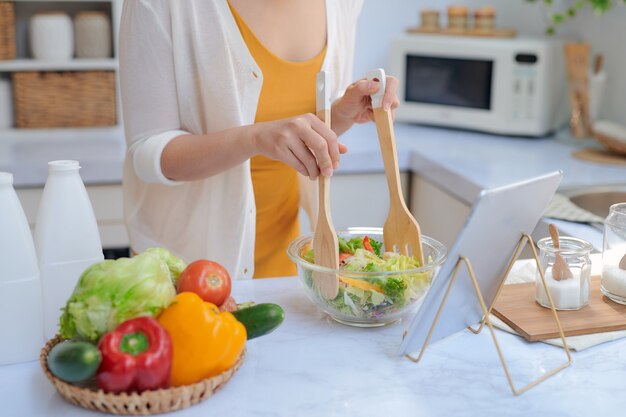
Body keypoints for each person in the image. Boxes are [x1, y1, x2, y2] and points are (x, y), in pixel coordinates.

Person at [119, 0, 399, 280]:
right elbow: (148, 153)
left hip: (282, 267)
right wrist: (255, 138)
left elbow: (297, 135)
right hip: (186, 273)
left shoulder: (343, 5)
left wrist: (340, 114)